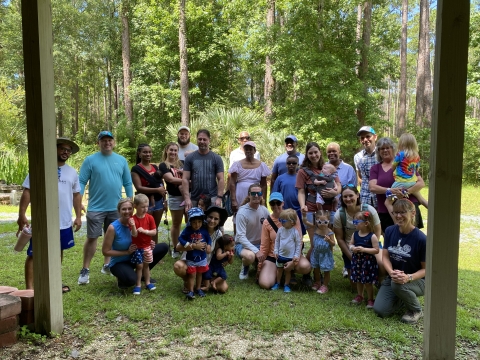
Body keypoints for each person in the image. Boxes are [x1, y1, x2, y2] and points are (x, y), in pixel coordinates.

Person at [17, 138, 82, 292]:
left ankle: (54, 282)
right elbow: (28, 191)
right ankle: (30, 289)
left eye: (68, 150)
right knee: (34, 253)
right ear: (54, 149)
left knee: (58, 251)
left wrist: (78, 216)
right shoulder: (40, 167)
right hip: (42, 221)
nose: (65, 152)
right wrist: (22, 214)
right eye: (62, 148)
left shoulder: (72, 172)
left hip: (64, 221)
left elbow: (77, 195)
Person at [78, 130, 133, 285]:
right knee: (92, 238)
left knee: (113, 237)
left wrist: (130, 201)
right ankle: (85, 269)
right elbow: (81, 181)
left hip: (116, 208)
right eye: (104, 140)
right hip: (95, 207)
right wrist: (79, 201)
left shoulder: (121, 160)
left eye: (110, 140)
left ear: (113, 142)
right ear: (98, 143)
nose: (107, 143)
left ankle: (107, 265)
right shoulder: (90, 160)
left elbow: (127, 183)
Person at [373, 199, 426, 324]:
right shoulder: (390, 231)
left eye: (402, 212)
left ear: (413, 213)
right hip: (394, 277)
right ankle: (403, 298)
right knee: (380, 310)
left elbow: (426, 269)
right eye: (395, 212)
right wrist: (391, 273)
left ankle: (416, 310)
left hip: (417, 280)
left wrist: (408, 278)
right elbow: (385, 256)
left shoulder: (421, 239)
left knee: (398, 285)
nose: (398, 216)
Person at [102, 198, 169, 290]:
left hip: (137, 255)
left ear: (134, 208)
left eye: (130, 208)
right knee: (131, 280)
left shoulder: (137, 220)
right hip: (119, 262)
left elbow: (142, 236)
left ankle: (143, 275)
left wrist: (149, 243)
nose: (127, 211)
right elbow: (106, 252)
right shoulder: (113, 227)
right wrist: (127, 252)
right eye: (124, 209)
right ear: (119, 211)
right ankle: (123, 277)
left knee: (163, 247)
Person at [369, 137, 425, 234]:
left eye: (388, 147)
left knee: (410, 240)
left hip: (407, 209)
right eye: (382, 148)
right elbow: (372, 187)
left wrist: (405, 192)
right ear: (378, 151)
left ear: (393, 148)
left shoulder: (403, 162)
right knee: (390, 241)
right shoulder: (375, 168)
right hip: (386, 211)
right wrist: (390, 190)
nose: (385, 150)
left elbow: (421, 183)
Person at [258, 192, 311, 290]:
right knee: (265, 284)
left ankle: (287, 275)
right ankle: (278, 275)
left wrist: (294, 262)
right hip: (274, 256)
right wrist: (260, 266)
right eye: (272, 203)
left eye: (278, 203)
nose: (275, 206)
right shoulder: (267, 222)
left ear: (283, 203)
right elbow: (264, 246)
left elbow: (299, 242)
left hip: (291, 255)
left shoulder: (292, 217)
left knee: (305, 267)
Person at [333, 185, 382, 285]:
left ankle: (382, 284)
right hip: (351, 249)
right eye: (345, 197)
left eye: (351, 195)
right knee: (355, 284)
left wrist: (369, 251)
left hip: (371, 246)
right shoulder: (339, 214)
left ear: (357, 195)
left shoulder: (369, 210)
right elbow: (340, 239)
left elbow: (377, 232)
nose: (348, 199)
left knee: (381, 265)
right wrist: (352, 256)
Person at [173, 205, 229, 293]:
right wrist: (193, 246)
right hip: (189, 261)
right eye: (210, 217)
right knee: (178, 266)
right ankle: (187, 281)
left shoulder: (218, 234)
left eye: (216, 219)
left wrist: (226, 258)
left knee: (223, 288)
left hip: (205, 264)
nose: (212, 221)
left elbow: (219, 251)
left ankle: (201, 282)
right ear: (206, 217)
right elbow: (178, 247)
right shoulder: (195, 227)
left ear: (219, 221)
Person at [385, 133, 429, 219]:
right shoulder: (416, 156)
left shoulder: (400, 154)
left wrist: (394, 170)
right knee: (421, 199)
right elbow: (417, 169)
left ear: (401, 144)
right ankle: (435, 211)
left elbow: (393, 166)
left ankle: (395, 220)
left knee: (387, 202)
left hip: (400, 183)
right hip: (412, 182)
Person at [182, 129, 224, 211]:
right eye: (200, 139)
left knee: (212, 223)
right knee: (194, 223)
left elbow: (221, 179)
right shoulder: (190, 158)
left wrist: (219, 198)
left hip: (212, 198)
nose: (202, 141)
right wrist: (187, 198)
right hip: (194, 199)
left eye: (204, 139)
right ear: (196, 140)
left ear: (209, 141)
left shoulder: (216, 158)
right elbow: (185, 179)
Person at [131, 143, 165, 243]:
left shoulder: (155, 167)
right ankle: (144, 249)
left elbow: (160, 183)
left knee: (155, 228)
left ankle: (155, 252)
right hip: (144, 203)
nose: (148, 154)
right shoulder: (136, 169)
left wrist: (164, 199)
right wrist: (157, 190)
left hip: (158, 201)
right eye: (145, 152)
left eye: (149, 152)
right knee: (144, 228)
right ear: (139, 154)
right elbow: (139, 187)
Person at [235, 183, 270, 280]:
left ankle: (256, 263)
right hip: (243, 245)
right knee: (250, 256)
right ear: (249, 195)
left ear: (262, 195)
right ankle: (245, 266)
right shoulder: (242, 212)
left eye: (259, 193)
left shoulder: (264, 210)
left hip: (260, 244)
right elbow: (240, 237)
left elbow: (272, 226)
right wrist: (256, 251)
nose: (256, 195)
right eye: (253, 193)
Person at [178, 207, 212, 299]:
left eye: (199, 222)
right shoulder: (187, 230)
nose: (197, 225)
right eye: (194, 222)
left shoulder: (204, 230)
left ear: (202, 221)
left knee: (199, 274)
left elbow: (208, 238)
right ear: (190, 222)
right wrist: (188, 244)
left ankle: (198, 289)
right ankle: (191, 291)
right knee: (192, 274)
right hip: (191, 257)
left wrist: (209, 245)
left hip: (202, 257)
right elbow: (180, 238)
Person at [229, 141, 270, 214]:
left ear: (254, 151)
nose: (248, 151)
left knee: (256, 214)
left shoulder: (261, 165)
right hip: (240, 193)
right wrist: (233, 200)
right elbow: (232, 182)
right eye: (246, 149)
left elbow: (263, 184)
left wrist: (264, 200)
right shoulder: (237, 164)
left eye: (250, 149)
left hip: (256, 194)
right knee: (239, 214)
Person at [159, 142, 185, 258]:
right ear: (166, 150)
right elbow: (171, 179)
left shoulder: (183, 163)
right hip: (175, 197)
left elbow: (191, 174)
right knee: (176, 223)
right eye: (171, 150)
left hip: (187, 196)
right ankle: (176, 248)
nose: (173, 152)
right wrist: (187, 181)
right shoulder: (163, 165)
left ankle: (188, 247)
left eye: (175, 150)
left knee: (191, 222)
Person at [349, 210, 379, 308]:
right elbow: (350, 244)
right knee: (358, 279)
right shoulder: (355, 234)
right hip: (357, 260)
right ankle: (360, 295)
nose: (355, 224)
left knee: (367, 281)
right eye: (354, 222)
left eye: (356, 222)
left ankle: (370, 299)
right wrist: (353, 248)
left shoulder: (372, 236)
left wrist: (364, 249)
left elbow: (376, 250)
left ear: (366, 223)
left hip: (368, 262)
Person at [129, 194, 157, 295]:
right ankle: (138, 285)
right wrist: (133, 226)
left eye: (147, 206)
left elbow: (154, 232)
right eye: (142, 207)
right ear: (135, 206)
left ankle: (148, 282)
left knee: (146, 265)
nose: (145, 209)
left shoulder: (150, 218)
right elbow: (134, 235)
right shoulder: (133, 219)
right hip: (137, 248)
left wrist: (145, 231)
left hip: (147, 247)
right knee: (139, 266)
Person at [271, 155, 306, 236]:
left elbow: (304, 193)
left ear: (298, 165)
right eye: (289, 163)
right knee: (284, 233)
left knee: (299, 233)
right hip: (284, 211)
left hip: (298, 210)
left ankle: (299, 248)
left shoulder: (301, 178)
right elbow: (275, 194)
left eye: (294, 163)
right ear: (286, 164)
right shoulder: (280, 178)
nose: (291, 165)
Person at [302, 210, 335, 294]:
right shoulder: (315, 228)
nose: (322, 224)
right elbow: (305, 221)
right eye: (320, 222)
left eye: (325, 222)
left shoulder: (329, 232)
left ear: (329, 221)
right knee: (316, 269)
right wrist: (304, 215)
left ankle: (325, 285)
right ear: (316, 220)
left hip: (326, 254)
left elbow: (333, 243)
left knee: (326, 270)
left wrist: (329, 241)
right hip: (316, 253)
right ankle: (317, 282)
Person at [270, 209, 302, 293]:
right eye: (280, 220)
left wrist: (296, 255)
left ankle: (286, 285)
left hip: (290, 257)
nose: (281, 222)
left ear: (292, 222)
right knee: (279, 270)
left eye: (283, 220)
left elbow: (298, 244)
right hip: (280, 255)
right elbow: (277, 241)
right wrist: (276, 251)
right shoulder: (280, 230)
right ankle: (278, 283)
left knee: (288, 272)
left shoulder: (295, 232)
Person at [354, 126, 378, 208]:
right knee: (365, 220)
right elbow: (360, 176)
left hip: (381, 197)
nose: (365, 140)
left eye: (368, 136)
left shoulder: (382, 153)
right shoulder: (358, 157)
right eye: (362, 138)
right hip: (365, 198)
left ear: (375, 137)